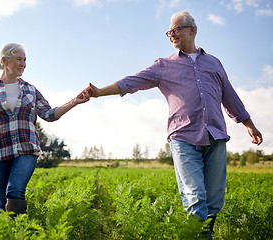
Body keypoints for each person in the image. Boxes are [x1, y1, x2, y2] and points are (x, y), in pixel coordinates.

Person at [84, 10, 262, 237]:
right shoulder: (163, 66)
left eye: (177, 29)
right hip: (183, 138)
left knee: (214, 202)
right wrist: (99, 92)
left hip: (215, 136)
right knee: (196, 200)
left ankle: (203, 232)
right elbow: (132, 81)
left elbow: (230, 96)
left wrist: (249, 124)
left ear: (192, 30)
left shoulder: (214, 63)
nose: (172, 34)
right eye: (169, 31)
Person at [0, 43, 89, 220]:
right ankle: (3, 234)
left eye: (25, 60)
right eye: (19, 59)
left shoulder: (30, 90)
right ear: (4, 60)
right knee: (0, 201)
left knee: (15, 191)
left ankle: (18, 233)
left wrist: (74, 101)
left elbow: (49, 114)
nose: (23, 63)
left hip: (26, 149)